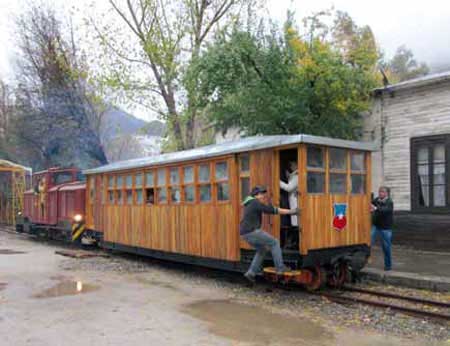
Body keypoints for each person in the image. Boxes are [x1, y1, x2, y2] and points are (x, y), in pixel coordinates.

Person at [240, 185, 299, 283]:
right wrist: (292, 211)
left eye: (264, 193)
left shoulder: (250, 203)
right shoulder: (255, 202)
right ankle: (280, 268)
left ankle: (251, 273)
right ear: (256, 195)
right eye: (261, 194)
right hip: (251, 231)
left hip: (245, 233)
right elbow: (273, 210)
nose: (264, 196)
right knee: (274, 242)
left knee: (262, 250)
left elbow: (272, 209)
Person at [371, 186, 394, 271]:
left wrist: (375, 208)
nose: (380, 193)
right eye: (380, 191)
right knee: (368, 241)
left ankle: (388, 265)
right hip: (376, 225)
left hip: (386, 228)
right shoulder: (376, 200)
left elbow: (385, 210)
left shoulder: (389, 202)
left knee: (386, 247)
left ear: (387, 193)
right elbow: (370, 203)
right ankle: (366, 258)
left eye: (382, 192)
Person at [280, 161, 299, 227]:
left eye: (292, 165)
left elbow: (289, 187)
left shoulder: (297, 175)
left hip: (296, 199)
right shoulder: (294, 175)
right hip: (293, 199)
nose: (291, 167)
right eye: (290, 165)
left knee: (296, 219)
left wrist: (278, 181)